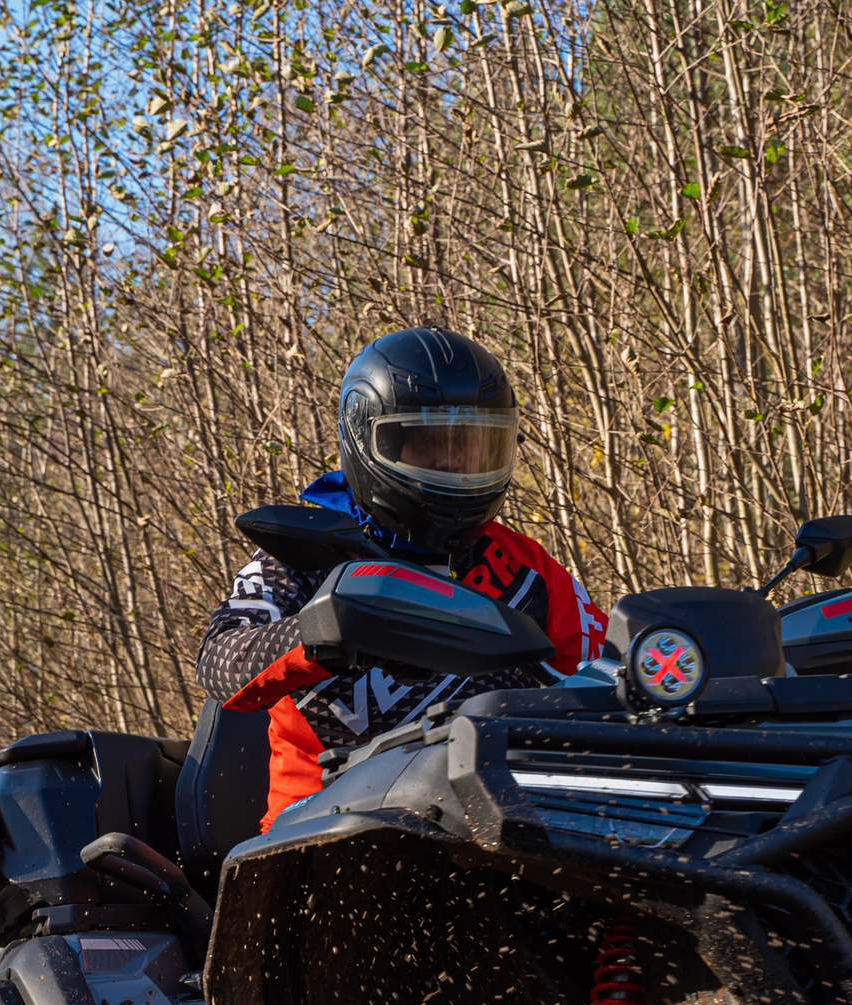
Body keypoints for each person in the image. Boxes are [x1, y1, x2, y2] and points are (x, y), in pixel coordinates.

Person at [194, 327, 607, 829]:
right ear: (369, 440)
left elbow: (605, 672)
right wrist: (323, 636)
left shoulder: (525, 569)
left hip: (490, 818)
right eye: (430, 445)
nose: (454, 465)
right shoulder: (303, 556)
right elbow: (221, 664)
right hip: (321, 826)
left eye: (474, 448)